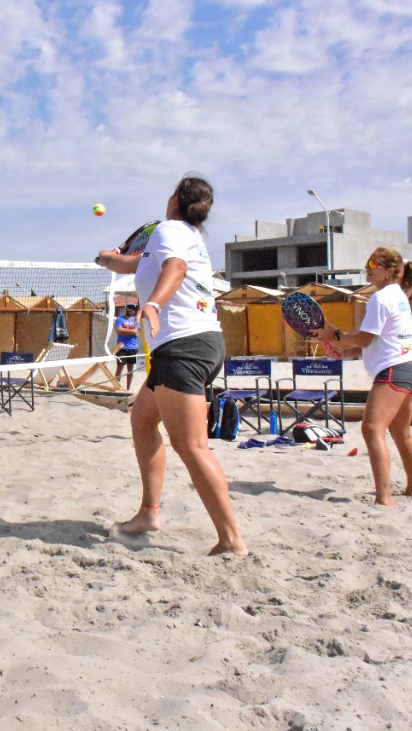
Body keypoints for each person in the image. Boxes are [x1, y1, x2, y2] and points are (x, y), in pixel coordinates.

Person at [95, 174, 247, 556]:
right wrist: (106, 258)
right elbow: (130, 265)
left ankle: (231, 541)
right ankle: (149, 513)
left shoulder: (168, 231)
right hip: (197, 344)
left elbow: (174, 269)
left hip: (184, 346)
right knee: (143, 420)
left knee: (193, 446)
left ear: (176, 199)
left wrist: (154, 304)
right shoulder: (185, 235)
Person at [316, 247, 412, 506]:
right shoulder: (398, 295)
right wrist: (345, 350)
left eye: (373, 263)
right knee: (401, 433)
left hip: (394, 371)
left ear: (390, 271)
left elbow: (365, 338)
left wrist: (336, 336)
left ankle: (384, 498)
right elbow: (375, 342)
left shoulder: (380, 298)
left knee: (372, 429)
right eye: (368, 261)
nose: (368, 266)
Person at [114, 302, 140, 389]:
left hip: (132, 347)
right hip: (122, 347)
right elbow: (118, 331)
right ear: (126, 308)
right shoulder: (119, 319)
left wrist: (124, 331)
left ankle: (128, 388)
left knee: (130, 368)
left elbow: (136, 332)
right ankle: (116, 387)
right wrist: (131, 332)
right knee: (119, 368)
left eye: (133, 308)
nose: (131, 309)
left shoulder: (136, 320)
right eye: (129, 307)